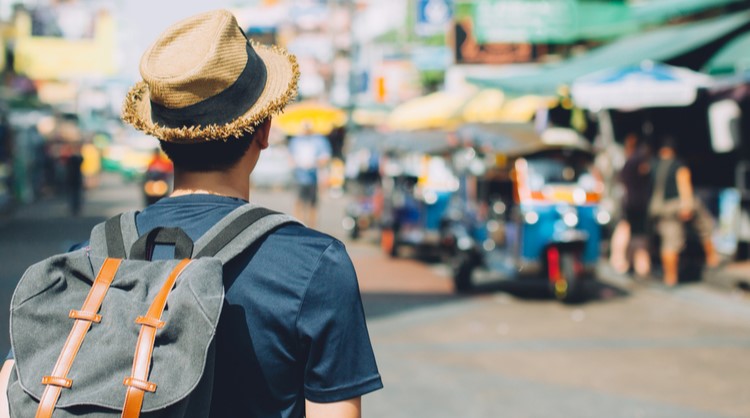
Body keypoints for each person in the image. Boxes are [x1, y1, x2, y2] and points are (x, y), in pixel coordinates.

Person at [0, 10, 381, 418]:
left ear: (162, 136)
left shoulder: (90, 264)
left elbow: (13, 395)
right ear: (264, 130)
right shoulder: (314, 266)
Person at [648, 136, 719, 287]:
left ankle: (670, 277)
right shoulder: (678, 165)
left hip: (660, 209)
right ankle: (712, 257)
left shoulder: (653, 164)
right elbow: (684, 184)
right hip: (676, 205)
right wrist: (687, 205)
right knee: (705, 226)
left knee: (669, 241)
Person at [609, 133, 652, 277]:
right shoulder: (637, 161)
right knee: (635, 234)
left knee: (631, 233)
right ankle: (637, 265)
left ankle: (629, 263)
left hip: (630, 202)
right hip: (636, 203)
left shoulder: (630, 161)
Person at [288, 121, 331, 228]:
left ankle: (312, 227)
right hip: (299, 175)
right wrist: (297, 163)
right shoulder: (296, 141)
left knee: (313, 204)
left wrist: (314, 163)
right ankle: (297, 226)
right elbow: (290, 157)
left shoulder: (319, 140)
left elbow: (325, 157)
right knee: (299, 202)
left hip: (313, 176)